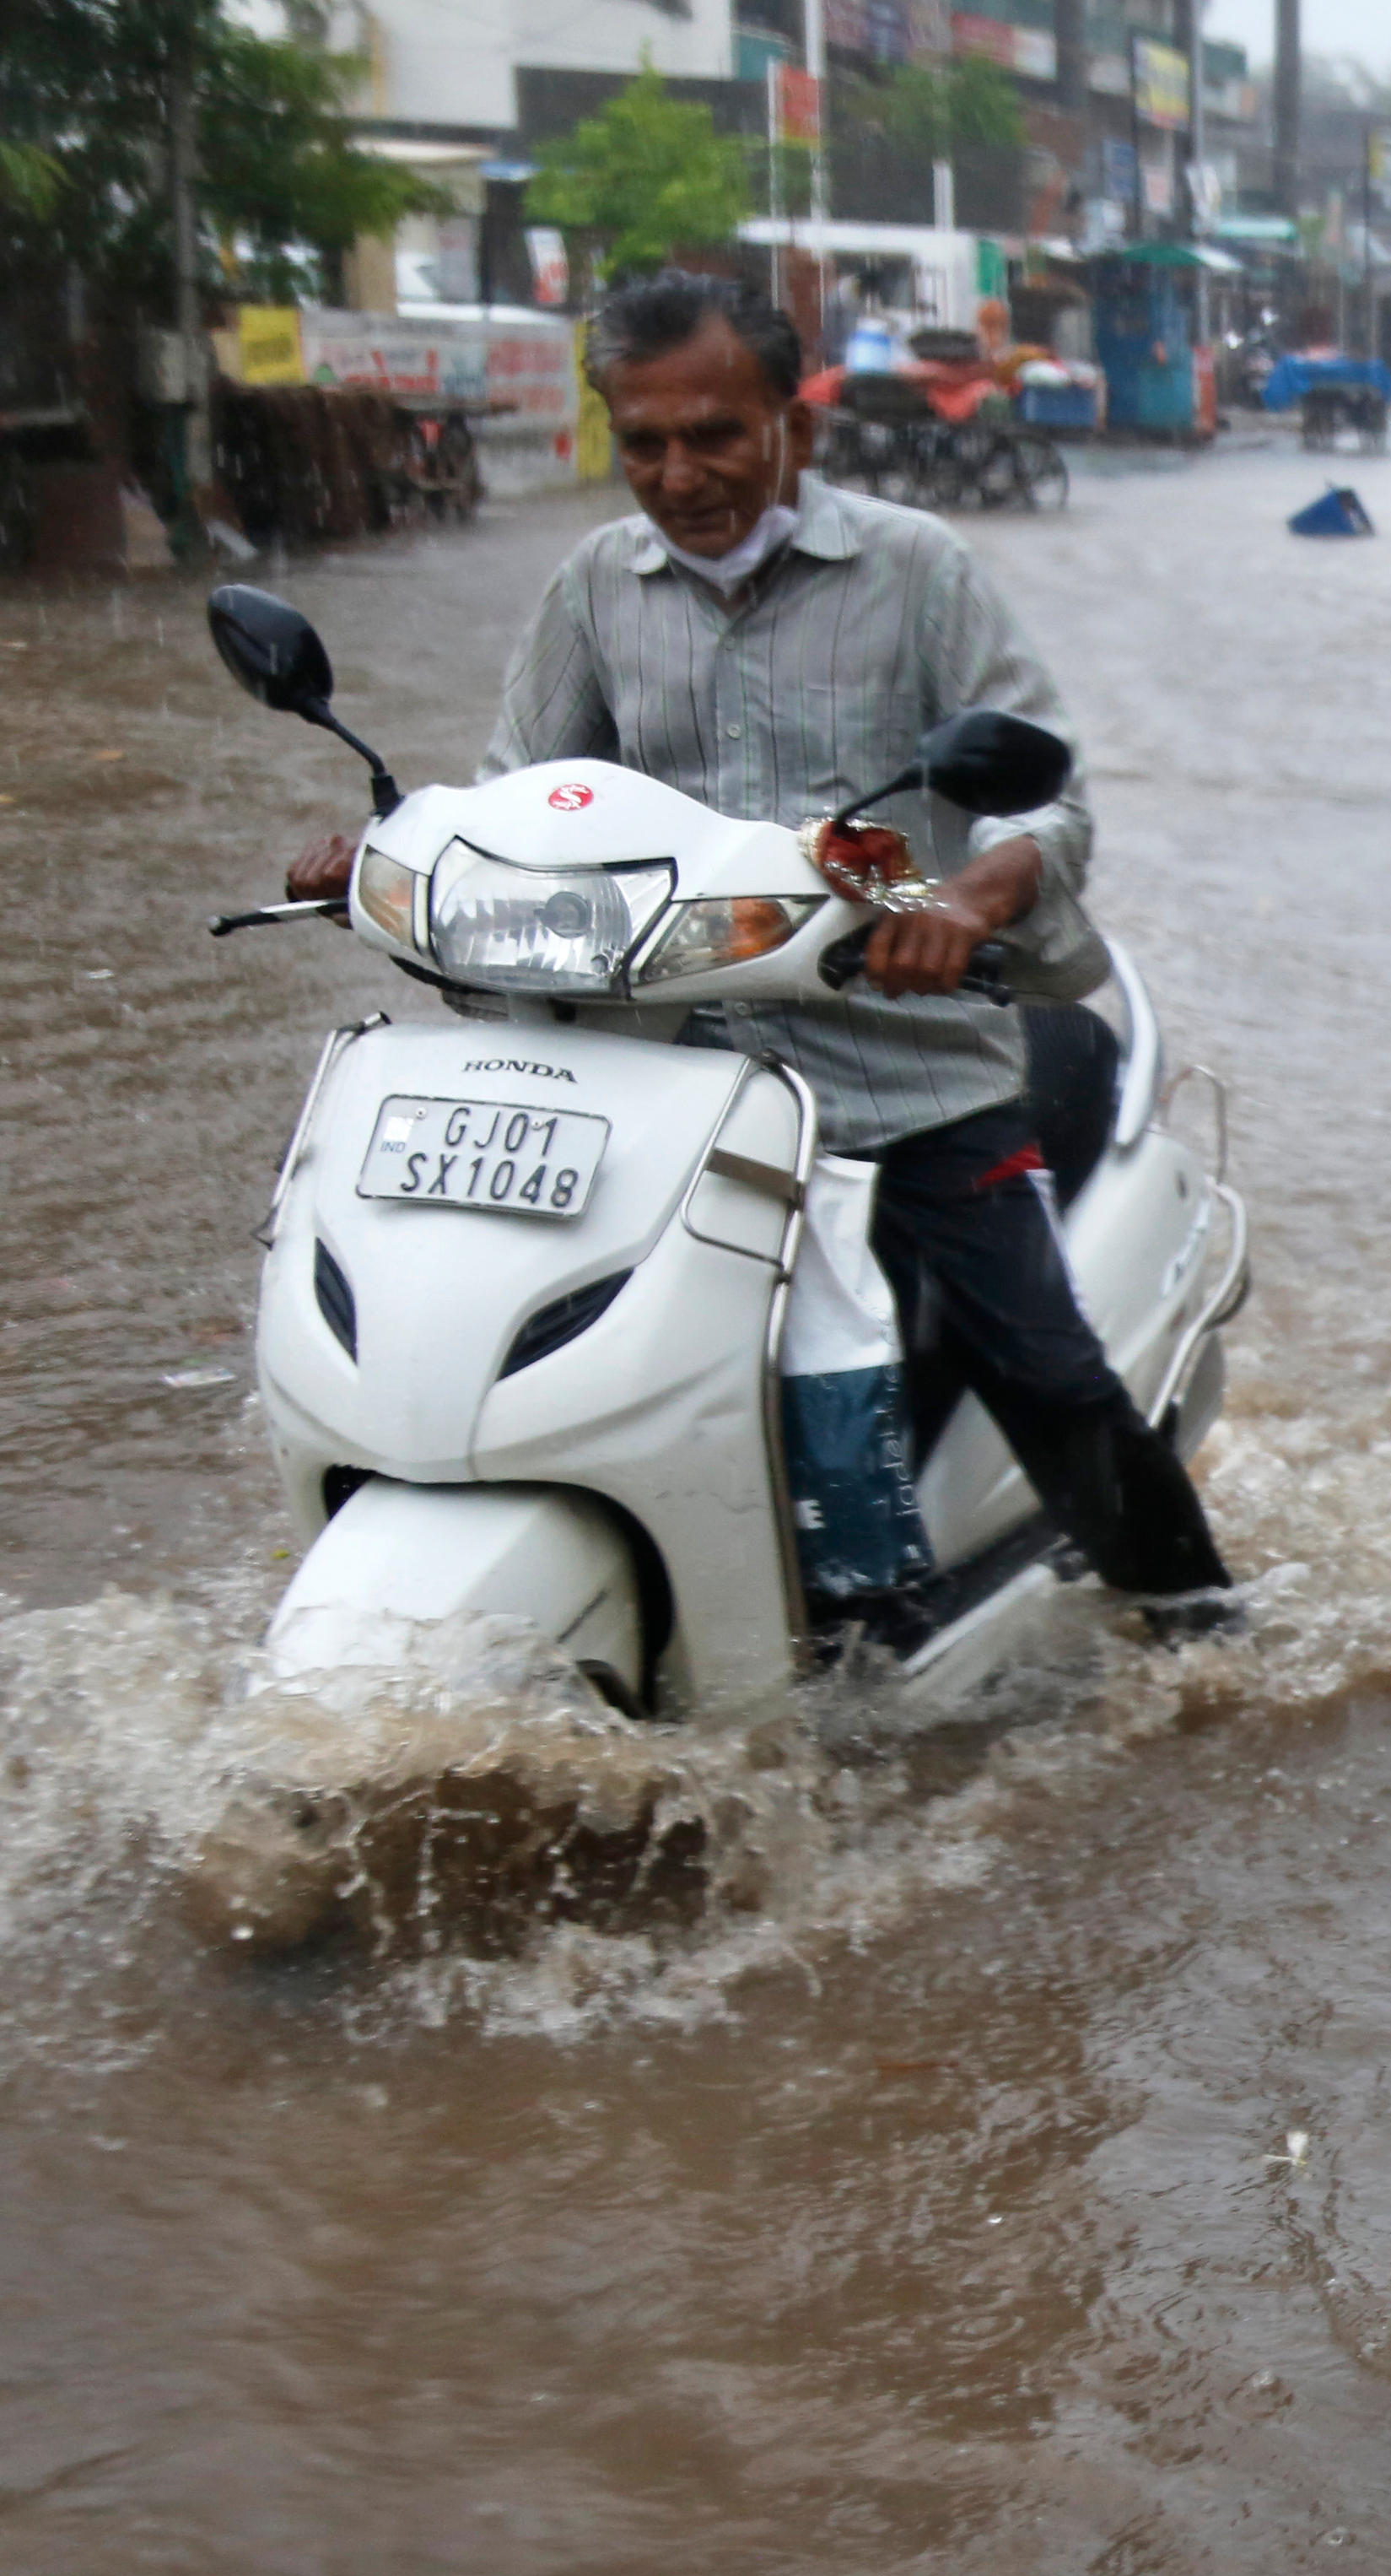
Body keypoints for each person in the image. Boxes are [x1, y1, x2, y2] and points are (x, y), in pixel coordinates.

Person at [285, 270, 1236, 1643]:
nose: (682, 474)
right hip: (665, 1080)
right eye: (647, 441)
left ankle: (1194, 1616)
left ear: (792, 423)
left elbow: (1051, 800)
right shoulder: (596, 588)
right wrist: (384, 859)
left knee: (1045, 1368)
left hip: (907, 1073)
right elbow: (513, 802)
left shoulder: (915, 569)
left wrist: (964, 902)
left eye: (716, 435)